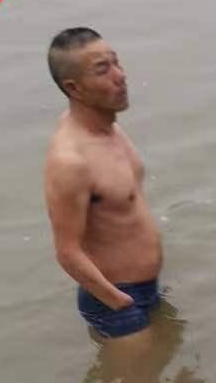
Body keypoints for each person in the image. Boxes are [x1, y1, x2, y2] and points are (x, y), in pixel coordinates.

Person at [43, 27, 163, 349]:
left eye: (116, 63)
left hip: (146, 288)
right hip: (118, 303)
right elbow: (67, 252)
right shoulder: (70, 161)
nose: (120, 76)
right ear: (74, 88)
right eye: (103, 70)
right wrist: (120, 303)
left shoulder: (106, 126)